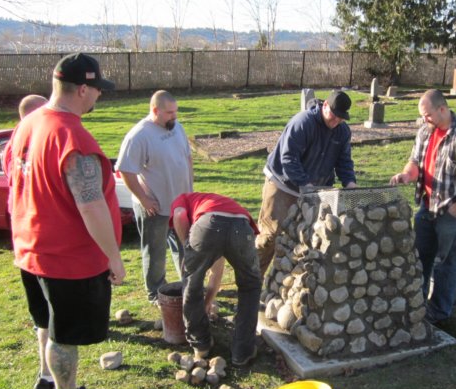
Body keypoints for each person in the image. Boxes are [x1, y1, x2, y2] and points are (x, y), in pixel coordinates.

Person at [5, 53, 124, 389]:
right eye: (97, 90)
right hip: (66, 258)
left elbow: (13, 180)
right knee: (65, 335)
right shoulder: (72, 137)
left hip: (31, 248)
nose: (99, 96)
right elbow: (92, 207)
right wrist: (113, 257)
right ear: (83, 89)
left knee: (47, 322)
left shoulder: (28, 124)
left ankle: (47, 383)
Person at [390, 89, 456, 324]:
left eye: (427, 115)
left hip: (453, 208)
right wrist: (406, 175)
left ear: (442, 109)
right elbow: (415, 161)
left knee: (447, 262)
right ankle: (417, 304)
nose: (424, 119)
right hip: (428, 206)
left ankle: (439, 312)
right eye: (422, 116)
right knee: (420, 257)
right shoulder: (425, 131)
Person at [255, 90, 357, 275]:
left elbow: (344, 161)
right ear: (325, 106)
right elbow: (288, 159)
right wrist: (305, 184)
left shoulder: (342, 132)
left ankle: (290, 281)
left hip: (316, 190)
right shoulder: (303, 123)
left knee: (305, 237)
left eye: (341, 117)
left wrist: (349, 182)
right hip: (282, 184)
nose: (336, 120)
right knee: (270, 236)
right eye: (334, 115)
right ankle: (251, 282)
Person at [116, 90, 193, 304]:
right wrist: (143, 199)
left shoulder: (176, 127)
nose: (174, 116)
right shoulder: (139, 136)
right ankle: (155, 292)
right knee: (155, 251)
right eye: (169, 113)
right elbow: (126, 170)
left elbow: (187, 157)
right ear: (155, 110)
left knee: (185, 245)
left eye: (175, 111)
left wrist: (190, 190)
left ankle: (188, 285)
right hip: (154, 206)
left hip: (180, 203)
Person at [171, 192, 262, 366]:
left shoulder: (182, 198)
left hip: (208, 226)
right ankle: (243, 352)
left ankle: (201, 345)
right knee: (250, 286)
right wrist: (207, 303)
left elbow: (180, 215)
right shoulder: (215, 202)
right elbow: (216, 273)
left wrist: (187, 248)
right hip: (242, 227)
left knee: (192, 282)